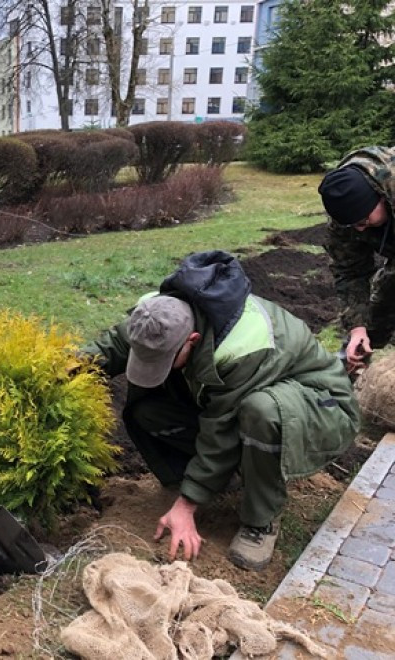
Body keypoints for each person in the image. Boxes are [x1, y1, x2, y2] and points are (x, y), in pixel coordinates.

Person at [80, 250, 359, 571]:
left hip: (321, 405)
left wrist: (186, 506)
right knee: (148, 410)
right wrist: (72, 364)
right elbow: (119, 341)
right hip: (254, 401)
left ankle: (261, 522)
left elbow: (221, 431)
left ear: (193, 340)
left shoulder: (245, 346)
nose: (159, 367)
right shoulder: (160, 313)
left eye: (167, 360)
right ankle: (217, 480)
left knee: (261, 411)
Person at [318, 147, 395, 374]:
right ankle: (348, 375)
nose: (360, 228)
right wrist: (358, 329)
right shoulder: (346, 213)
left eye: (363, 220)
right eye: (353, 224)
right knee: (378, 305)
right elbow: (350, 271)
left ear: (381, 197)